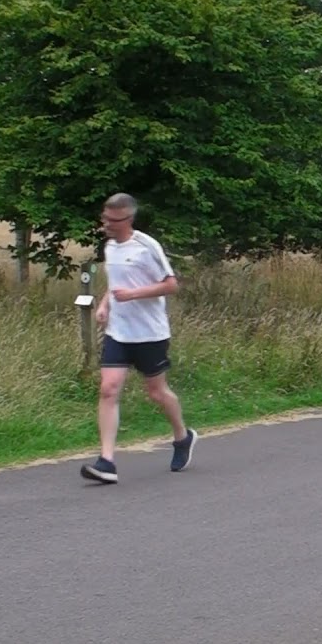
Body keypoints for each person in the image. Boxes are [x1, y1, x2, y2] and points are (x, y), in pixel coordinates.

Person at [81, 193, 196, 484]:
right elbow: (116, 283)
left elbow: (171, 286)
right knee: (108, 389)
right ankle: (106, 461)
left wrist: (133, 295)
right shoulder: (109, 246)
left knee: (157, 392)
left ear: (128, 219)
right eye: (104, 218)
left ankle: (182, 437)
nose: (106, 224)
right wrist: (106, 304)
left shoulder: (146, 246)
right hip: (119, 333)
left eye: (112, 220)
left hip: (149, 333)